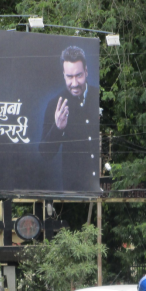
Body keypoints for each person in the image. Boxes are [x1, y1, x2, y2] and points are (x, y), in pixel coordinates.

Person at [40, 46, 100, 191]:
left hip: (105, 189)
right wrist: (58, 128)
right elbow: (45, 154)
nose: (74, 83)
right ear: (63, 74)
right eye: (69, 77)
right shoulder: (55, 104)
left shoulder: (99, 95)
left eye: (78, 75)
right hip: (74, 196)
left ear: (86, 72)